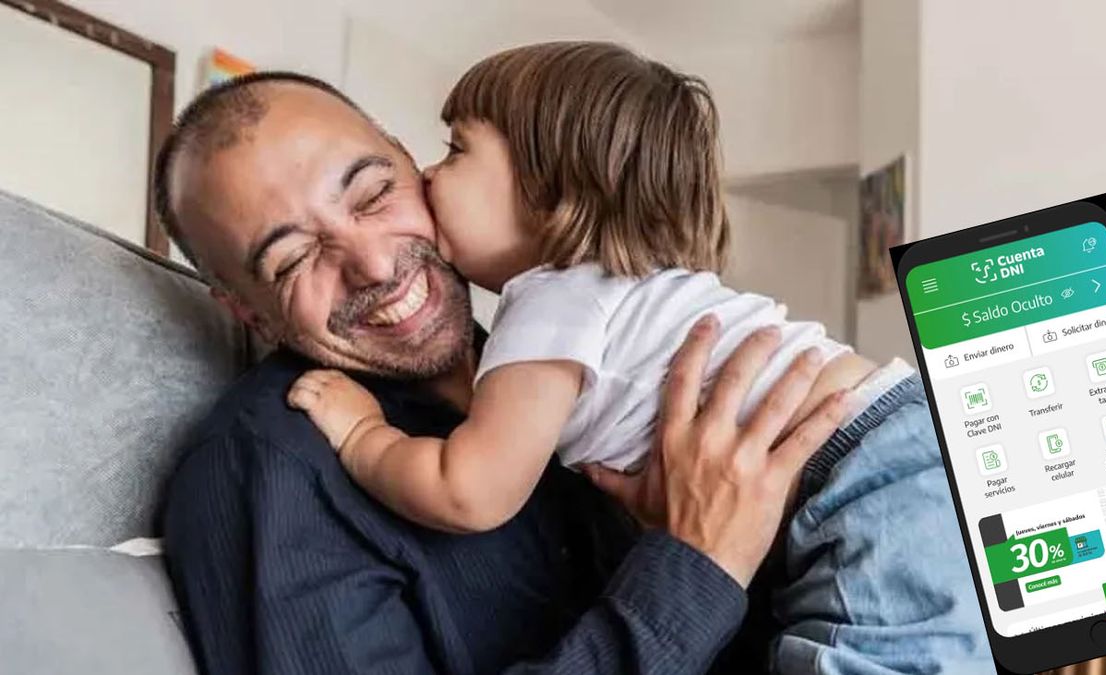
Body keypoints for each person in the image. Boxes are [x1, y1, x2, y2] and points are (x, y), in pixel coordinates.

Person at [157, 67, 989, 674]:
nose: (373, 263)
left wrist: (720, 529)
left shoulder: (553, 377)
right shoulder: (266, 467)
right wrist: (694, 564)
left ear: (413, 167)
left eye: (374, 194)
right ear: (250, 313)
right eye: (296, 256)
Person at [285, 42, 883, 537]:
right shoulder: (616, 299)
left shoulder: (549, 300)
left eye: (456, 148)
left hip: (856, 467)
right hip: (882, 434)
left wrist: (364, 435)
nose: (431, 173)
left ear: (548, 188)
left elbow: (468, 493)